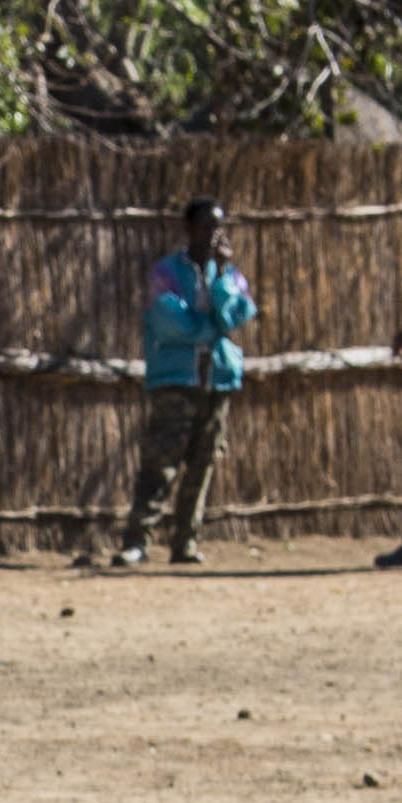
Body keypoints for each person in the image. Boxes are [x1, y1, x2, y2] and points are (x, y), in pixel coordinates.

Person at [114, 193, 256, 565]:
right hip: (176, 380)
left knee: (203, 462)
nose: (214, 234)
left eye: (219, 226)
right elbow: (169, 322)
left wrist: (222, 281)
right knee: (161, 462)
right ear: (190, 227)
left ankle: (185, 542)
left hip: (217, 382)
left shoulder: (229, 275)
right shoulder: (166, 273)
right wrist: (212, 327)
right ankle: (137, 541)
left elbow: (236, 316)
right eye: (208, 225)